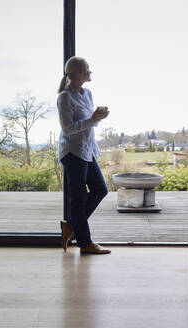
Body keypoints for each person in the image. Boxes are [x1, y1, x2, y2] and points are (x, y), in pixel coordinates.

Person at [57, 56, 111, 255]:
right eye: (87, 69)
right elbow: (67, 129)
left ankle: (70, 225)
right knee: (78, 199)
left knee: (100, 189)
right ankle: (85, 243)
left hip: (87, 151)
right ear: (78, 72)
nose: (90, 72)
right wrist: (93, 119)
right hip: (72, 152)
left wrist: (96, 117)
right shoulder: (64, 96)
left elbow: (88, 122)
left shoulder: (87, 93)